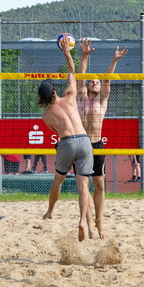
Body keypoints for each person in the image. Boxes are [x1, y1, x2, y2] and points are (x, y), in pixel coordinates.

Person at [40, 34, 94, 242]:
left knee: (59, 180)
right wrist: (67, 52)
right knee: (83, 186)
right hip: (84, 140)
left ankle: (50, 210)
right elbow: (73, 72)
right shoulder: (70, 96)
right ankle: (82, 219)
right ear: (54, 90)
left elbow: (56, 131)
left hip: (67, 141)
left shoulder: (46, 115)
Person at [75, 38, 128, 239]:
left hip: (97, 145)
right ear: (88, 85)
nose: (95, 83)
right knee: (83, 186)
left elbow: (107, 79)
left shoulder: (102, 99)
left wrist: (114, 60)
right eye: (92, 81)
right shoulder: (80, 97)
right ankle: (88, 221)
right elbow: (80, 76)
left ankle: (99, 222)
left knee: (99, 184)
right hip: (81, 144)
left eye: (97, 82)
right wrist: (85, 55)